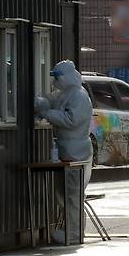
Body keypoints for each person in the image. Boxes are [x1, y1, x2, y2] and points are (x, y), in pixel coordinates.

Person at [35, 60, 93, 244]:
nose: (55, 81)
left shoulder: (79, 96)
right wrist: (42, 103)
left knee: (73, 194)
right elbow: (51, 100)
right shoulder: (66, 94)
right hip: (66, 148)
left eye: (57, 77)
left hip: (77, 150)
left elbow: (71, 120)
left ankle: (74, 233)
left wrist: (47, 113)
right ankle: (69, 230)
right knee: (64, 194)